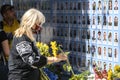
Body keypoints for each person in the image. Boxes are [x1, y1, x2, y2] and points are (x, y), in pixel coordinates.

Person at [8, 8, 67, 80]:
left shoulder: (27, 37)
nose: (40, 27)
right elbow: (32, 60)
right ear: (30, 22)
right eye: (38, 24)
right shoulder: (21, 38)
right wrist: (55, 59)